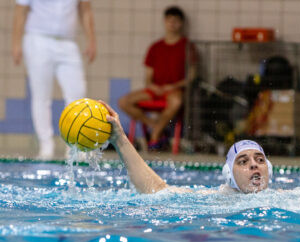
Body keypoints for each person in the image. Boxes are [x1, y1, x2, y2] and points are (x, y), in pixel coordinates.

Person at [101, 101, 271, 194]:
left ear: (268, 170)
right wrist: (119, 139)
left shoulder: (289, 199)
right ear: (229, 175)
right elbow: (157, 191)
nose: (254, 164)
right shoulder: (218, 199)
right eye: (243, 161)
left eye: (260, 160)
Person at [11, 0, 96, 159]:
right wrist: (16, 43)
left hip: (68, 42)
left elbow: (85, 10)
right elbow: (20, 10)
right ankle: (46, 147)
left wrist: (91, 40)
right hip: (38, 39)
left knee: (77, 94)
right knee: (41, 96)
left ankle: (74, 146)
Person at [118, 6, 195, 150]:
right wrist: (153, 87)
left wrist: (174, 86)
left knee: (177, 101)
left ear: (181, 24)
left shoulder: (187, 47)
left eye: (176, 21)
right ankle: (154, 125)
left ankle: (155, 135)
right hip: (155, 89)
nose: (172, 24)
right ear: (165, 22)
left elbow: (192, 76)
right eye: (169, 20)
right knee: (123, 102)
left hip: (174, 90)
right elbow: (148, 77)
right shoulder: (155, 47)